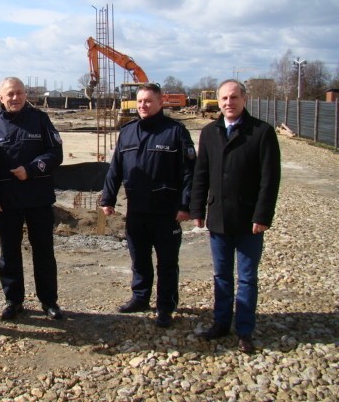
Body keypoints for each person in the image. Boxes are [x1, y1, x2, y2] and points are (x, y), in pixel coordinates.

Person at [190, 79, 281, 353]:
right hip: (218, 217)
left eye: (234, 97)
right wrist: (197, 209)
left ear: (244, 99)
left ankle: (244, 330)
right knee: (221, 276)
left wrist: (262, 215)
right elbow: (201, 174)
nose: (229, 103)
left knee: (247, 277)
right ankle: (220, 324)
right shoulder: (209, 133)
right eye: (224, 98)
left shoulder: (261, 133)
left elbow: (270, 179)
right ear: (218, 102)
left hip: (249, 220)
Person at [100, 83, 195, 328]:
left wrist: (186, 206)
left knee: (166, 262)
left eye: (149, 101)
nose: (143, 105)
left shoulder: (175, 132)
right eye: (140, 101)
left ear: (160, 102)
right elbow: (115, 169)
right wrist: (107, 199)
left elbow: (188, 173)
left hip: (167, 211)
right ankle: (140, 297)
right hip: (137, 209)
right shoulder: (128, 132)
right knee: (139, 258)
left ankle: (166, 306)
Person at [0, 76, 64, 320]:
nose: (15, 98)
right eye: (10, 94)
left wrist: (32, 168)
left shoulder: (40, 119)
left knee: (44, 252)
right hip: (6, 201)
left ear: (26, 95)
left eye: (19, 93)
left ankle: (49, 302)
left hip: (38, 198)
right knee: (9, 252)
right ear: (1, 98)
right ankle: (13, 300)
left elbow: (56, 153)